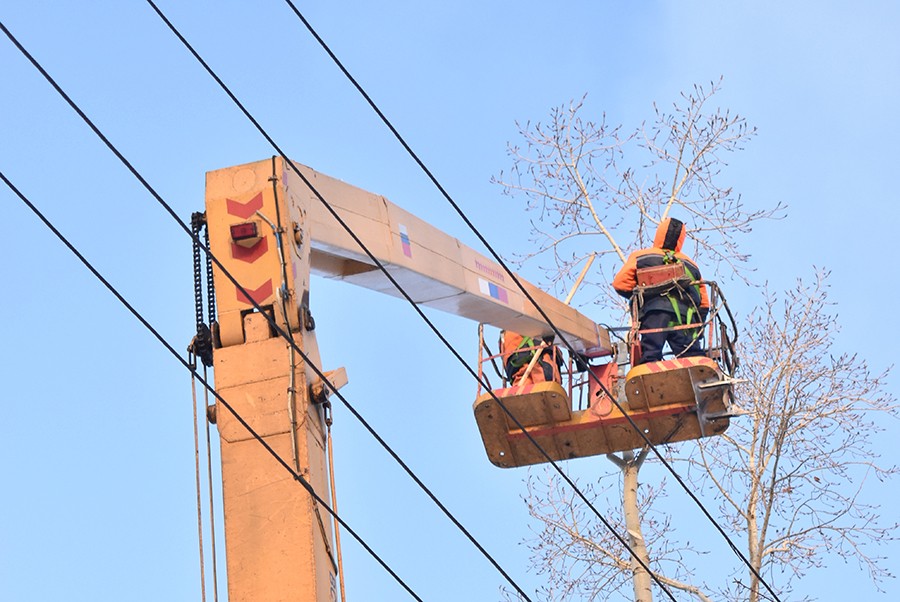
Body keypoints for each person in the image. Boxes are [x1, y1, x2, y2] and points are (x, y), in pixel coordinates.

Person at [612, 217, 710, 363]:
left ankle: (649, 366)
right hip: (685, 318)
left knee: (650, 355)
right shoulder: (691, 264)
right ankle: (700, 368)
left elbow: (620, 284)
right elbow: (704, 304)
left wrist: (639, 299)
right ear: (681, 240)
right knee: (693, 357)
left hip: (654, 313)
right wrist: (698, 327)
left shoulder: (641, 256)